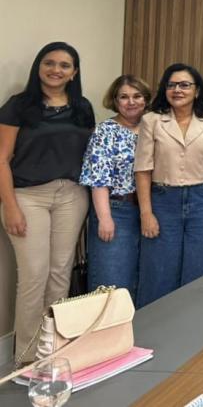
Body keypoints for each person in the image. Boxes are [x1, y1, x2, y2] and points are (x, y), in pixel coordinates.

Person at [0, 42, 95, 362]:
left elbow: (90, 157)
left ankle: (52, 350)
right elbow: (2, 160)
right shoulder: (19, 105)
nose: (56, 69)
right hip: (28, 197)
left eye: (65, 65)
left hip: (71, 195)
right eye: (49, 63)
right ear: (38, 67)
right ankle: (26, 358)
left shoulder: (83, 107)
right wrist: (10, 205)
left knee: (60, 274)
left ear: (74, 73)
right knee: (34, 276)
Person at [134, 63, 203, 307]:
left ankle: (199, 332)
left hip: (202, 200)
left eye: (184, 85)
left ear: (197, 90)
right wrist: (146, 213)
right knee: (158, 271)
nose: (177, 90)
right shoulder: (152, 121)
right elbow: (143, 170)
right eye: (171, 85)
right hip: (162, 200)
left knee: (201, 270)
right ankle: (153, 333)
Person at [79, 75, 151, 303]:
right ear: (115, 101)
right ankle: (106, 337)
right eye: (124, 97)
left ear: (146, 99)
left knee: (143, 279)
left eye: (137, 96)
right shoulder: (106, 131)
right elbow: (98, 178)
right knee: (112, 281)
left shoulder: (154, 127)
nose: (131, 102)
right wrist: (105, 218)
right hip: (117, 210)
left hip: (151, 211)